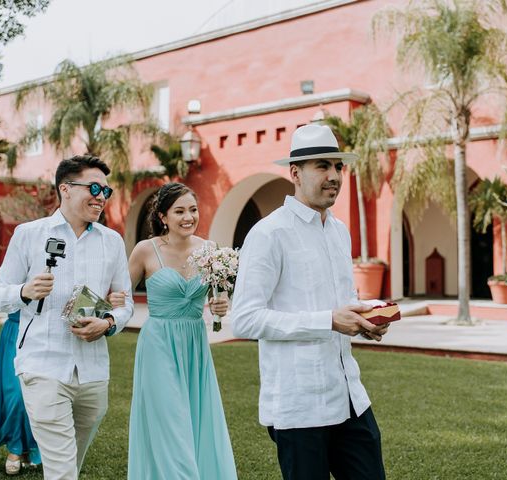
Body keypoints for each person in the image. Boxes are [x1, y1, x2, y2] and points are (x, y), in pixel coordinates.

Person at [231, 124, 391, 480]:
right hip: (299, 406)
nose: (334, 176)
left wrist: (365, 317)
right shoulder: (269, 234)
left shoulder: (338, 230)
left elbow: (341, 301)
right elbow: (244, 319)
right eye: (322, 166)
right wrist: (329, 321)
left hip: (350, 397)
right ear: (294, 173)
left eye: (338, 167)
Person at [0, 154, 134, 480]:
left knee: (69, 465)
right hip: (42, 364)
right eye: (94, 187)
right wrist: (24, 291)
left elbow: (124, 304)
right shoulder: (29, 234)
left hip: (93, 371)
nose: (101, 196)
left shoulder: (112, 242)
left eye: (106, 191)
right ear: (65, 188)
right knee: (63, 470)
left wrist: (109, 323)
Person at [127, 182, 237, 479]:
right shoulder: (145, 250)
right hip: (158, 345)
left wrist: (220, 304)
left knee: (195, 419)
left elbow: (219, 294)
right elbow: (121, 296)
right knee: (170, 422)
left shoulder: (210, 250)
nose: (188, 217)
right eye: (179, 211)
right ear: (163, 216)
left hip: (194, 345)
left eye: (193, 210)